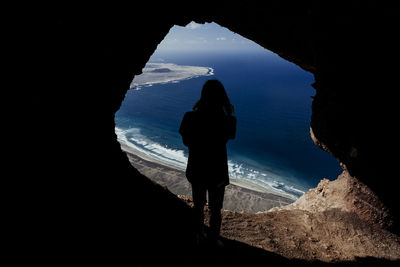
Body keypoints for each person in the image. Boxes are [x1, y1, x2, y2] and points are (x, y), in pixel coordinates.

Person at [179, 79, 236, 246]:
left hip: (196, 167)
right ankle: (213, 239)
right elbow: (229, 136)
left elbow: (186, 141)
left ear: (203, 95)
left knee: (198, 205)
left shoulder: (189, 117)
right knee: (215, 208)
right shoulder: (228, 120)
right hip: (217, 170)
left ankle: (198, 236)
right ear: (222, 97)